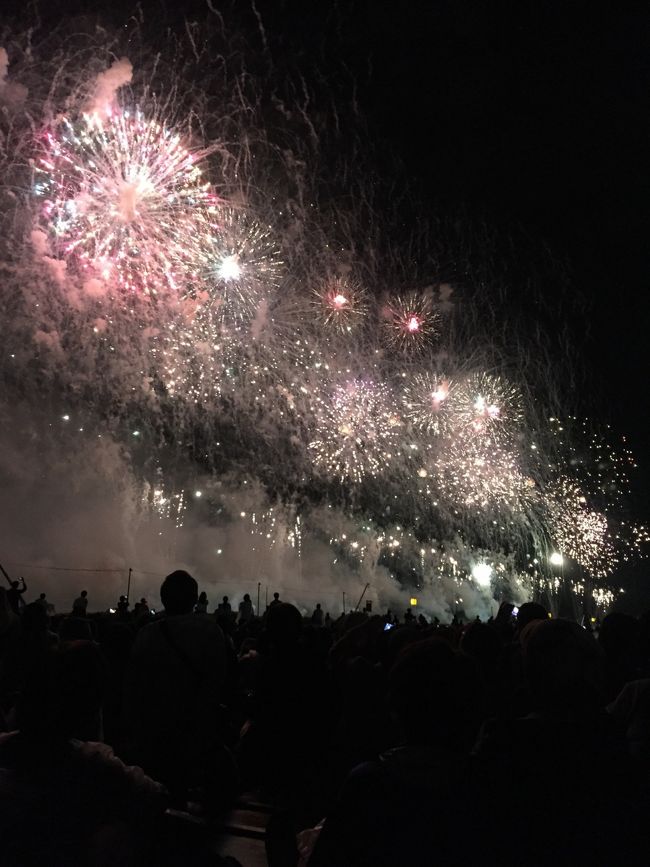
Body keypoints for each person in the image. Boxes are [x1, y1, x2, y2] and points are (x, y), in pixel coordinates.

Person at [125, 570, 233, 807]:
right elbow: (220, 681)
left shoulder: (146, 635)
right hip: (196, 734)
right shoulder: (210, 632)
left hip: (154, 733)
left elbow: (134, 686)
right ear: (195, 600)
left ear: (164, 600)